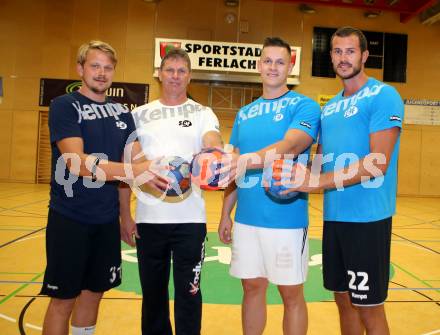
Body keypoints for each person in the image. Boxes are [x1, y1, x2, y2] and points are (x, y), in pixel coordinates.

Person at [281, 27, 404, 334]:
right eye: (337, 51)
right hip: (335, 218)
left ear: (364, 55)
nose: (343, 58)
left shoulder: (383, 95)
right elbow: (320, 161)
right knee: (343, 299)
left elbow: (378, 163)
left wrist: (315, 182)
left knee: (369, 307)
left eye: (350, 51)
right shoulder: (330, 106)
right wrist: (290, 174)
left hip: (368, 219)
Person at [40, 40, 166, 335]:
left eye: (108, 68)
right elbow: (77, 163)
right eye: (95, 66)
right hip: (70, 218)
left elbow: (136, 160)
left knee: (95, 292)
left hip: (106, 220)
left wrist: (127, 213)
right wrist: (136, 170)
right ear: (80, 69)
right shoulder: (64, 106)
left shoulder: (123, 113)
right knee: (63, 299)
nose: (101, 73)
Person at [218, 37, 321, 335]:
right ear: (258, 65)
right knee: (251, 287)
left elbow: (291, 145)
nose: (273, 67)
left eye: (280, 61)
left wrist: (244, 160)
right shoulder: (244, 113)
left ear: (290, 66)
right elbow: (234, 167)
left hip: (286, 219)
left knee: (291, 294)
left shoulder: (304, 106)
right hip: (247, 220)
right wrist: (226, 214)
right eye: (267, 61)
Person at [119, 48, 224, 335]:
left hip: (190, 221)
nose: (175, 76)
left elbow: (211, 138)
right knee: (153, 296)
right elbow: (127, 168)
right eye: (170, 70)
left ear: (189, 76)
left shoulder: (203, 113)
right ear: (159, 74)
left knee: (189, 293)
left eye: (181, 71)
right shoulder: (139, 114)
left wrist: (213, 151)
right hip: (149, 220)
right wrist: (125, 216)